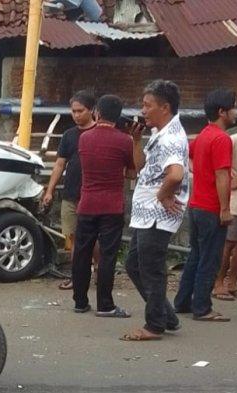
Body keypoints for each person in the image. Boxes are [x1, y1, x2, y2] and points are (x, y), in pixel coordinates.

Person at [121, 80, 188, 341]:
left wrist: (163, 194)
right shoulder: (159, 134)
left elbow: (176, 174)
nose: (143, 110)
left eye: (148, 105)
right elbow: (140, 168)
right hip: (145, 213)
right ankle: (166, 316)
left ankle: (155, 325)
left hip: (157, 215)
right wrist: (136, 140)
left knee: (151, 269)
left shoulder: (171, 137)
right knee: (133, 264)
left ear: (165, 107)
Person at [174, 88, 236, 322]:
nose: (235, 112)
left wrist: (197, 172)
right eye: (232, 107)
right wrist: (225, 208)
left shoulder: (203, 135)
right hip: (211, 207)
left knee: (195, 256)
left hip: (197, 204)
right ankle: (202, 307)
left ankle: (182, 301)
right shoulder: (221, 139)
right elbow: (222, 176)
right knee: (209, 259)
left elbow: (187, 155)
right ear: (222, 112)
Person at [72, 94, 136, 317]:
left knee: (81, 252)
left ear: (97, 113)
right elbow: (131, 172)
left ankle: (80, 301)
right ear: (118, 116)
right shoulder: (125, 141)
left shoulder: (84, 139)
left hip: (87, 202)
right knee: (107, 256)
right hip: (112, 205)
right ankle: (105, 305)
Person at [42, 90, 99, 290]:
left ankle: (100, 270)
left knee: (94, 240)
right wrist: (49, 191)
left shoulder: (100, 134)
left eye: (80, 111)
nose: (76, 115)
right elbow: (59, 165)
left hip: (93, 196)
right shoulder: (69, 135)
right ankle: (77, 277)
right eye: (73, 111)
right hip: (71, 195)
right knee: (74, 239)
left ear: (91, 110)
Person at [212, 98, 237, 300]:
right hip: (236, 199)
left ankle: (233, 283)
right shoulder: (234, 139)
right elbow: (220, 167)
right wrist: (231, 181)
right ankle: (218, 283)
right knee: (228, 243)